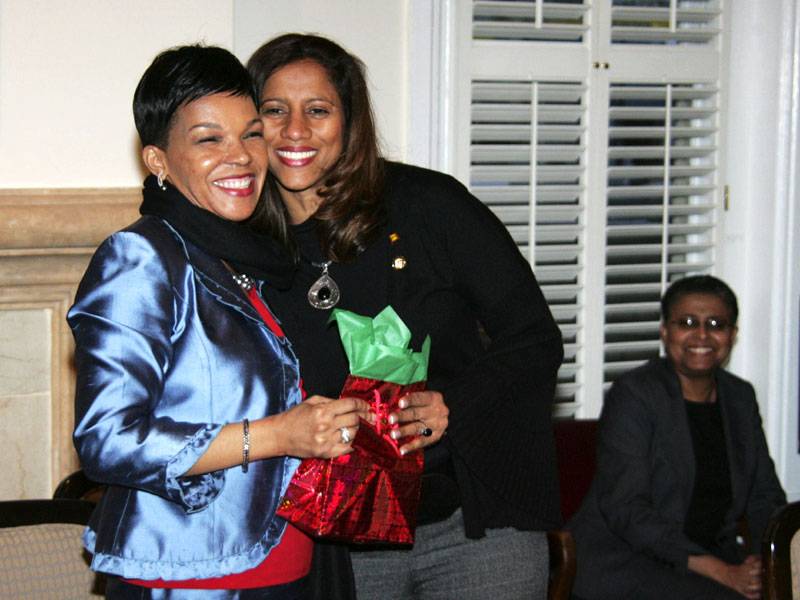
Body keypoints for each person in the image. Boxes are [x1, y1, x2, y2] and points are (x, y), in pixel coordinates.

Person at [246, 34, 564, 600]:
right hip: (335, 546)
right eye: (275, 110)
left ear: (350, 121)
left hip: (474, 528)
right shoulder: (244, 246)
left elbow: (535, 339)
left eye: (317, 110)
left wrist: (453, 404)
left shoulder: (429, 206)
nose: (295, 130)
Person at [69, 44, 370, 599]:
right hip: (190, 576)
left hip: (289, 564)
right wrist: (278, 434)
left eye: (251, 134)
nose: (242, 157)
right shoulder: (141, 258)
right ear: (158, 160)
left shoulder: (247, 257)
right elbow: (107, 439)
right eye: (210, 139)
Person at [567, 275, 786, 600]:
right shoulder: (635, 394)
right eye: (687, 322)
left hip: (713, 559)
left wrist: (764, 561)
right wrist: (722, 572)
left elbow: (763, 495)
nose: (702, 334)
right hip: (628, 559)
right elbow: (626, 509)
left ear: (732, 334)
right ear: (665, 331)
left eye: (716, 323)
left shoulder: (740, 397)